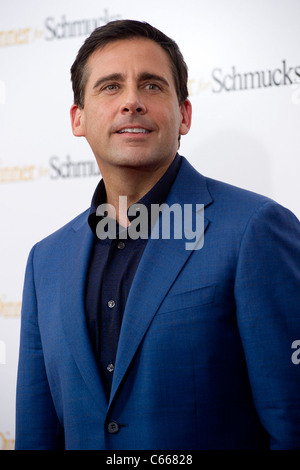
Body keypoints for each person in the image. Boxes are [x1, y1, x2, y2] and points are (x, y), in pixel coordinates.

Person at [15, 19, 300, 450]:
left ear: (183, 115)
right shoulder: (46, 260)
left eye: (151, 86)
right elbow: (37, 435)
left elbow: (292, 421)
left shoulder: (254, 230)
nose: (131, 101)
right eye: (110, 87)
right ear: (79, 119)